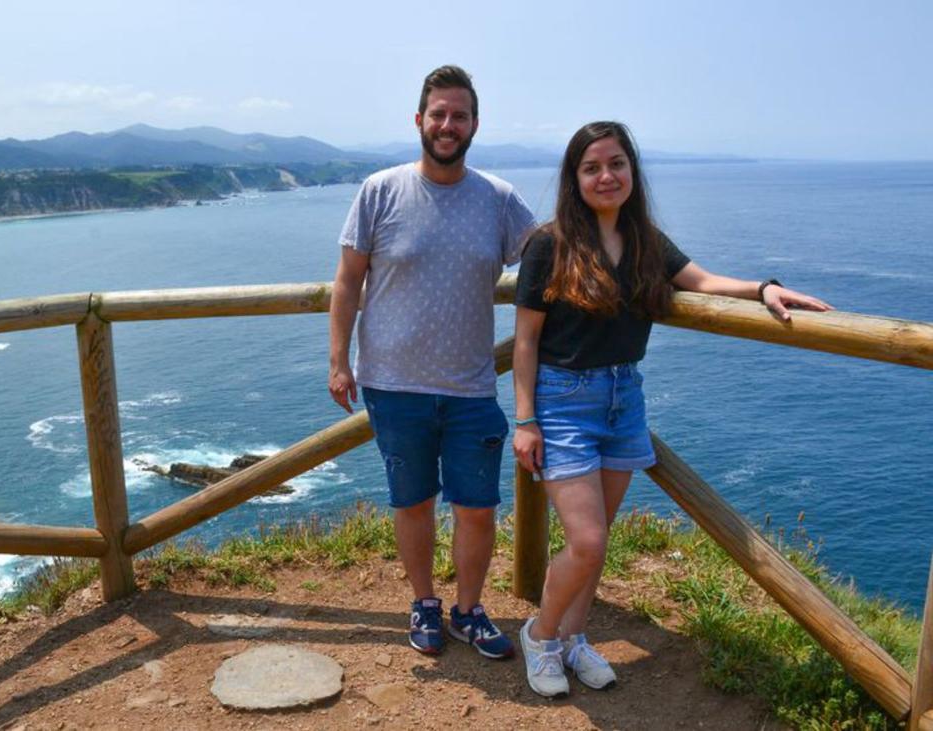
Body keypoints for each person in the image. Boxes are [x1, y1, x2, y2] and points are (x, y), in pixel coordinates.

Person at [511, 121, 831, 697]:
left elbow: (702, 280)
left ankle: (575, 638)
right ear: (574, 178)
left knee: (599, 536)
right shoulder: (548, 244)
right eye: (591, 167)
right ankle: (540, 634)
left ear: (632, 171)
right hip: (562, 402)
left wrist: (764, 289)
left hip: (622, 399)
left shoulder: (645, 242)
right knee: (586, 541)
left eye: (616, 164)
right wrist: (526, 419)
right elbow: (526, 340)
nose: (606, 176)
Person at [328, 65, 537, 659]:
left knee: (477, 508)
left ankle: (468, 610)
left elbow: (547, 258)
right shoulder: (379, 190)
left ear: (475, 125)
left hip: (472, 387)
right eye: (439, 114)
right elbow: (347, 283)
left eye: (460, 115)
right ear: (419, 120)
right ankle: (424, 603)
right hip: (393, 386)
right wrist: (339, 362)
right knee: (413, 501)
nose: (448, 125)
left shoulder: (497, 199)